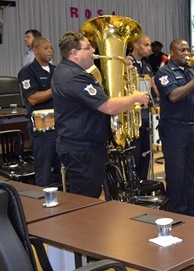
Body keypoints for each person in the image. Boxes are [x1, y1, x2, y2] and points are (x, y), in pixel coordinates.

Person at [52, 32, 150, 197]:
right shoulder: (74, 77)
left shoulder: (68, 72)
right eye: (88, 47)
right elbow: (108, 106)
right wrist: (135, 97)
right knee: (86, 200)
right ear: (74, 53)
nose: (93, 50)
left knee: (90, 196)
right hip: (82, 149)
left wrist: (122, 71)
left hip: (83, 147)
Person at [155, 39, 194, 216]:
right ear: (172, 53)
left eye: (188, 49)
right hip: (174, 130)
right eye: (182, 50)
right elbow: (173, 96)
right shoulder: (164, 73)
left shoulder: (190, 72)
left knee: (192, 175)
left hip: (191, 129)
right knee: (176, 176)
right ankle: (178, 215)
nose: (186, 53)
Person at [17, 36, 61, 187]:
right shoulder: (27, 72)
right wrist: (56, 89)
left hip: (60, 127)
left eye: (51, 48)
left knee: (60, 169)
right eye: (45, 48)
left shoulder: (56, 70)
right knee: (44, 170)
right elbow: (33, 98)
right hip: (42, 129)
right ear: (35, 51)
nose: (50, 51)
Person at [127, 34, 158, 181]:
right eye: (146, 45)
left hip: (146, 112)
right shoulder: (127, 63)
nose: (149, 48)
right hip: (133, 114)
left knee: (146, 151)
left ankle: (143, 181)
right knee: (135, 152)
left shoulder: (146, 65)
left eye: (150, 45)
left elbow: (152, 84)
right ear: (136, 45)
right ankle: (133, 183)